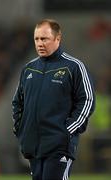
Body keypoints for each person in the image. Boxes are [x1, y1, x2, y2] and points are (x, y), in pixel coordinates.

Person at [12, 19, 95, 180]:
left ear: (57, 39)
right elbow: (17, 102)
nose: (39, 43)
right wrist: (21, 129)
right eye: (36, 39)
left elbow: (87, 100)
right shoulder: (28, 69)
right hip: (34, 146)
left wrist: (67, 130)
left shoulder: (74, 67)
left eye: (44, 39)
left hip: (59, 146)